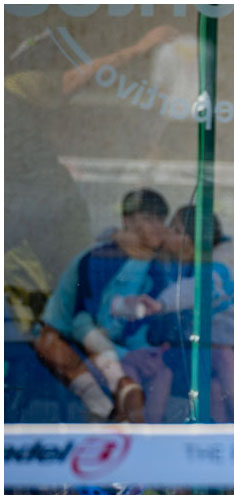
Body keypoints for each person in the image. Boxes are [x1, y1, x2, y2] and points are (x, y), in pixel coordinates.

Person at [5, 26, 178, 334]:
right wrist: (139, 48)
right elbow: (81, 75)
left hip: (47, 208)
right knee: (69, 299)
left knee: (73, 297)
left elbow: (79, 76)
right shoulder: (17, 87)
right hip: (41, 208)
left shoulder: (18, 88)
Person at [33, 189, 174, 423]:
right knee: (127, 377)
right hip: (72, 344)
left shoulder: (155, 267)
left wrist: (148, 353)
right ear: (127, 221)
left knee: (162, 374)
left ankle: (151, 437)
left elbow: (144, 325)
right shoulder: (100, 259)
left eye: (161, 220)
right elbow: (82, 324)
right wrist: (127, 355)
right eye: (149, 219)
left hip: (119, 347)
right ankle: (118, 422)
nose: (157, 227)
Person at [150, 205, 234, 423]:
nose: (167, 233)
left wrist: (159, 304)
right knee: (209, 386)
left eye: (176, 230)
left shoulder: (216, 269)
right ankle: (150, 433)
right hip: (206, 355)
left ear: (191, 243)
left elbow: (195, 289)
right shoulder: (170, 265)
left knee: (221, 365)